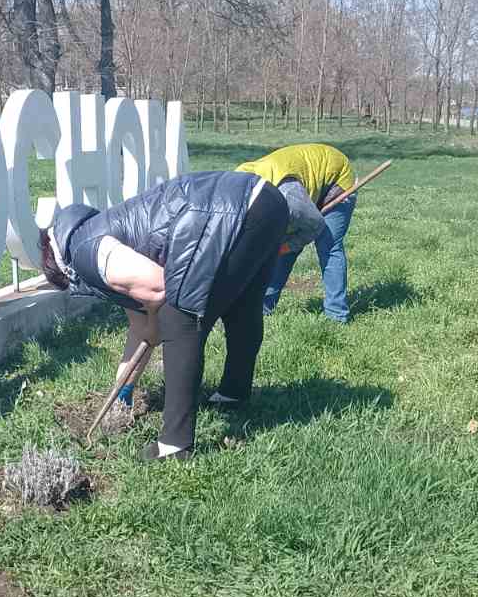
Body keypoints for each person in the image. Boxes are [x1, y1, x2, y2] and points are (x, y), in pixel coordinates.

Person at [39, 172, 289, 460]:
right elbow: (140, 328)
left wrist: (163, 324)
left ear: (63, 272)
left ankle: (175, 444)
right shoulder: (96, 230)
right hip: (264, 201)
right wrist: (125, 389)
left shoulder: (85, 252)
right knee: (242, 306)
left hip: (227, 213)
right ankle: (234, 392)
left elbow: (160, 287)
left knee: (180, 317)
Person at [236, 142, 356, 321]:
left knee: (328, 246)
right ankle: (262, 308)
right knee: (282, 248)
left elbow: (314, 224)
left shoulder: (287, 198)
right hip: (300, 182)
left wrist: (286, 246)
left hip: (336, 179)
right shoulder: (237, 184)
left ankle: (337, 315)